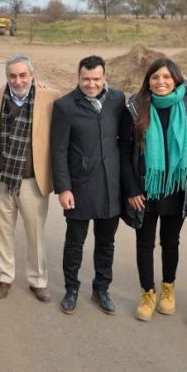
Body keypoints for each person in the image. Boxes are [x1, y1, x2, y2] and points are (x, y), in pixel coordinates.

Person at [120, 58, 187, 321]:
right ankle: (147, 293)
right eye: (155, 77)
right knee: (144, 243)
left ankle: (168, 288)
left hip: (176, 187)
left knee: (170, 242)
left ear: (176, 79)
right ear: (148, 81)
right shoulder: (134, 107)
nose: (161, 82)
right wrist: (132, 189)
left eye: (166, 77)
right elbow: (123, 150)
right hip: (145, 188)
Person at [51, 56, 126, 315]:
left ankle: (101, 290)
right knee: (75, 243)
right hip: (80, 187)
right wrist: (63, 188)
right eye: (86, 79)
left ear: (105, 78)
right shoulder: (64, 106)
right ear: (78, 77)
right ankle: (71, 289)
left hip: (111, 187)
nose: (91, 84)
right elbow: (58, 150)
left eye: (96, 79)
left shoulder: (117, 99)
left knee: (106, 243)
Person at [0, 54, 58, 302]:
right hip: (2, 178)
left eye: (23, 75)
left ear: (32, 75)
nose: (18, 81)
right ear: (7, 76)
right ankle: (4, 277)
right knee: (1, 232)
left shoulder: (51, 97)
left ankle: (38, 281)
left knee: (35, 233)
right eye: (12, 76)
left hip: (32, 180)